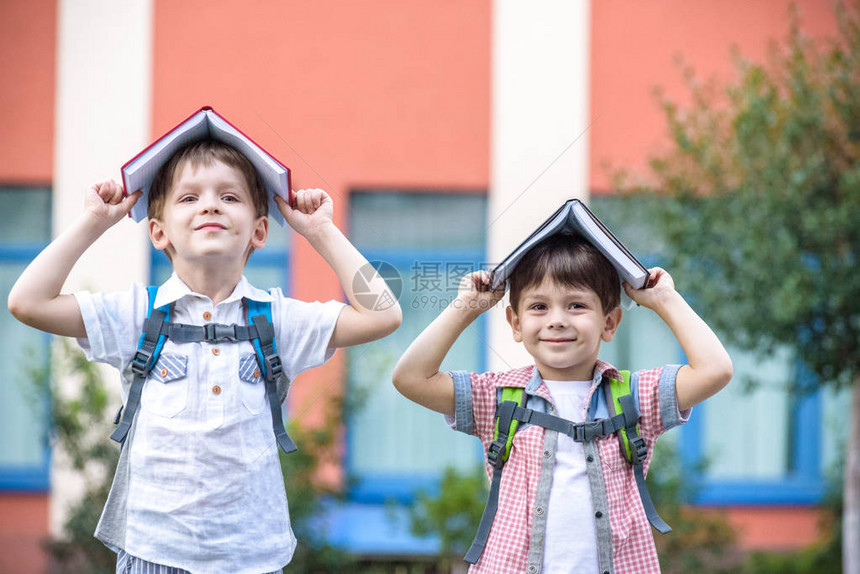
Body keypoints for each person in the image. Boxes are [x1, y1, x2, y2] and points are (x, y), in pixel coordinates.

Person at [7, 140, 402, 574]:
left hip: (253, 559)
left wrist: (321, 231)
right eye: (190, 197)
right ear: (158, 231)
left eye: (229, 197)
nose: (210, 206)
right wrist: (93, 222)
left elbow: (383, 314)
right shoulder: (137, 315)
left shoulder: (279, 320)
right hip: (152, 553)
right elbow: (28, 301)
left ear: (259, 230)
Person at [392, 233, 732, 573]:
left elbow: (714, 370)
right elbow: (410, 377)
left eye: (577, 305)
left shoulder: (634, 395)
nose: (557, 319)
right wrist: (467, 307)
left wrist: (665, 300)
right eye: (539, 307)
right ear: (516, 323)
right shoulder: (496, 397)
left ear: (609, 322)